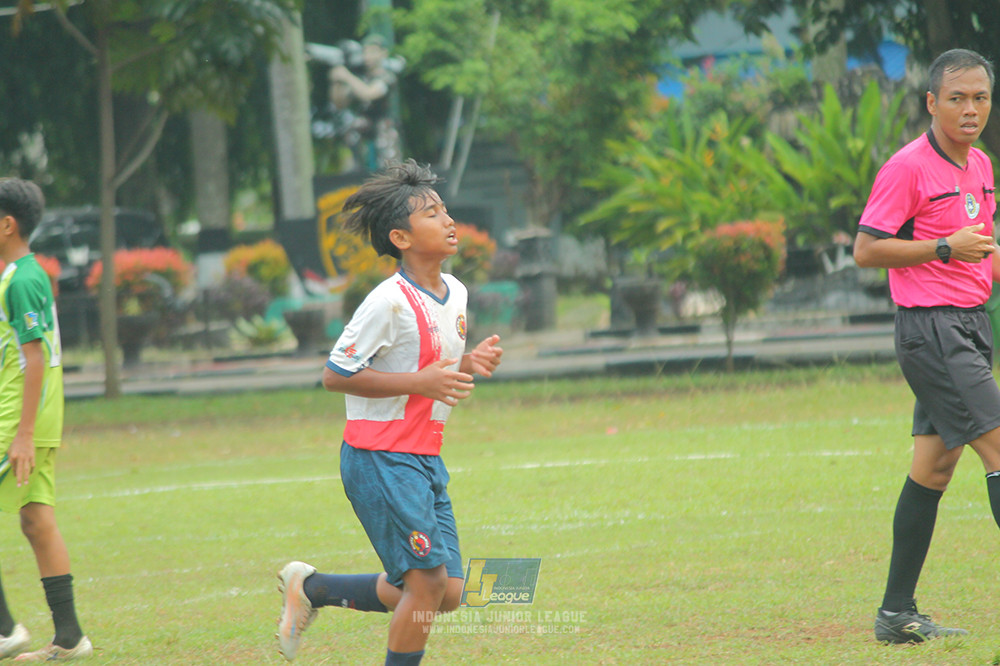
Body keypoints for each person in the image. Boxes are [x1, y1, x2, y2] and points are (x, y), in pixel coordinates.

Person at [276, 160, 503, 665]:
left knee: (446, 592)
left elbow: (425, 367)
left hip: (424, 457)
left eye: (445, 210)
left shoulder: (456, 292)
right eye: (431, 214)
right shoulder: (387, 302)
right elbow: (336, 374)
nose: (448, 221)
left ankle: (313, 590)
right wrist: (423, 381)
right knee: (425, 584)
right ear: (401, 236)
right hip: (380, 456)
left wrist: (468, 362)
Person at [854, 48, 1000, 644]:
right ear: (932, 102)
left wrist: (970, 257)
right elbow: (867, 249)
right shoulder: (908, 167)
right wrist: (941, 248)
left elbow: (983, 249)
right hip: (932, 329)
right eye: (958, 98)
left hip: (970, 324)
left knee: (935, 467)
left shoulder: (983, 165)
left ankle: (895, 614)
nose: (971, 110)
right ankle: (895, 612)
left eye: (981, 97)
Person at [0, 179, 91, 660]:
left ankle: (3, 631)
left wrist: (24, 434)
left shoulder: (23, 278)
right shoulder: (19, 275)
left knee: (36, 518)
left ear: (8, 224)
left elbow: (35, 359)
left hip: (20, 418)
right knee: (36, 520)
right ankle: (70, 636)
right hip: (30, 415)